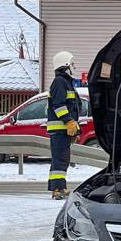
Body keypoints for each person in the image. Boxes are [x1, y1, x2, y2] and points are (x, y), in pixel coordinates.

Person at [47, 51, 81, 200]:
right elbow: (59, 105)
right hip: (60, 128)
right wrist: (68, 121)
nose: (73, 66)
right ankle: (57, 189)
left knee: (61, 158)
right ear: (65, 64)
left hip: (63, 129)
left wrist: (74, 127)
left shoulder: (65, 82)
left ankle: (59, 187)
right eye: (71, 63)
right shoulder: (60, 82)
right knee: (60, 159)